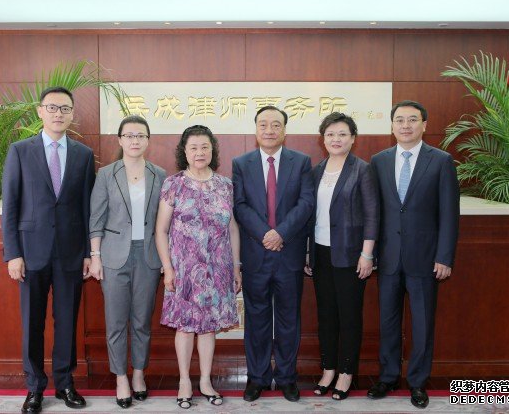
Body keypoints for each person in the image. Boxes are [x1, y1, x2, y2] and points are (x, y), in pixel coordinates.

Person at [2, 86, 95, 413]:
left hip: (71, 252)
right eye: (52, 107)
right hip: (30, 252)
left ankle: (65, 383)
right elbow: (10, 205)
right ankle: (34, 388)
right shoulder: (19, 151)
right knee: (32, 322)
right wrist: (13, 253)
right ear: (40, 111)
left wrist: (89, 252)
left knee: (67, 321)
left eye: (65, 108)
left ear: (72, 114)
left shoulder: (83, 155)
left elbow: (87, 208)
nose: (58, 113)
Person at [368, 100, 459, 409]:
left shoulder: (441, 161)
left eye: (412, 120)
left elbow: (449, 214)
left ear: (424, 125)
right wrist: (370, 253)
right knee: (388, 321)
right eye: (399, 120)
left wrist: (444, 256)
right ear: (392, 125)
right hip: (388, 257)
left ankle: (418, 381)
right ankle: (388, 376)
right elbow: (374, 212)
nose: (405, 125)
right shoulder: (379, 161)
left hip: (426, 257)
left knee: (422, 323)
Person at [155, 125, 241, 409]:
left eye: (205, 147)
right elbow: (161, 230)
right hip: (183, 270)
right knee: (185, 326)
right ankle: (184, 381)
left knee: (208, 327)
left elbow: (232, 229)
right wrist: (168, 268)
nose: (199, 152)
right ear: (184, 151)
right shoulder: (174, 184)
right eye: (193, 147)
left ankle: (205, 381)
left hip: (218, 268)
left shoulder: (225, 185)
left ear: (213, 149)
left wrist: (236, 267)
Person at [232, 106, 314, 402]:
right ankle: (258, 377)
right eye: (263, 124)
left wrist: (280, 233)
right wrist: (265, 234)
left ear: (284, 130)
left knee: (289, 319)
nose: (269, 130)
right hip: (256, 254)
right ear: (256, 129)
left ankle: (287, 377)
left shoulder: (301, 162)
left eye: (276, 125)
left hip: (289, 253)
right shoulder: (241, 163)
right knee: (256, 319)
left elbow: (306, 202)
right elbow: (240, 205)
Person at [88, 115, 166, 408]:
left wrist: (166, 257)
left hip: (148, 254)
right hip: (113, 256)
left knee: (142, 320)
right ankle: (120, 376)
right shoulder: (106, 174)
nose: (135, 140)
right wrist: (95, 256)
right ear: (120, 140)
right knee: (116, 321)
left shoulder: (160, 174)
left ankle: (139, 374)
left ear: (148, 140)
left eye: (141, 135)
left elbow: (166, 221)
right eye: (129, 135)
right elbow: (96, 218)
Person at [304, 112, 379, 400]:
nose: (336, 139)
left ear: (353, 138)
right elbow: (311, 216)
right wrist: (308, 252)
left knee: (349, 316)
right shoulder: (316, 171)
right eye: (331, 134)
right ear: (323, 139)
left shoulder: (362, 170)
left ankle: (346, 372)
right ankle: (328, 370)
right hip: (320, 253)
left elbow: (372, 215)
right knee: (326, 316)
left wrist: (367, 254)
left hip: (351, 255)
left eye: (342, 134)